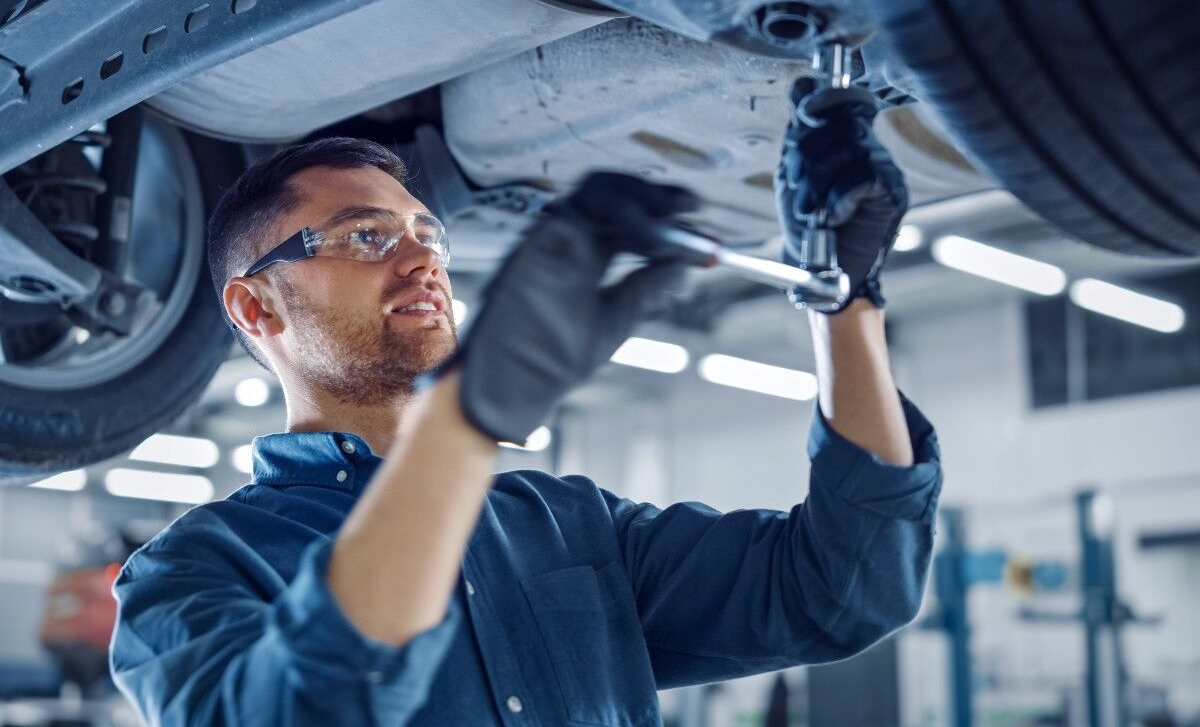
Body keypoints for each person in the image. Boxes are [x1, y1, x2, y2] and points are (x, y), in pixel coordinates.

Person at [109, 79, 942, 726]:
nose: (421, 261)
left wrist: (846, 301)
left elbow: (844, 588)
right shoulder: (189, 574)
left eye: (428, 236)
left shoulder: (569, 526)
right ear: (256, 308)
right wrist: (464, 422)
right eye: (367, 237)